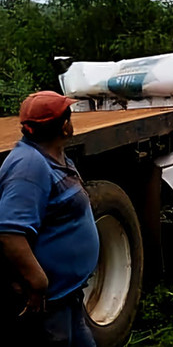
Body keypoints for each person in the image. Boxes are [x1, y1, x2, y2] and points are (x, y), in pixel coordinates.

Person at [0, 91, 99, 346]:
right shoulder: (28, 166)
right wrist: (39, 282)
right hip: (49, 302)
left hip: (69, 295)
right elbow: (10, 234)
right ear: (64, 126)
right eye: (69, 116)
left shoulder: (54, 155)